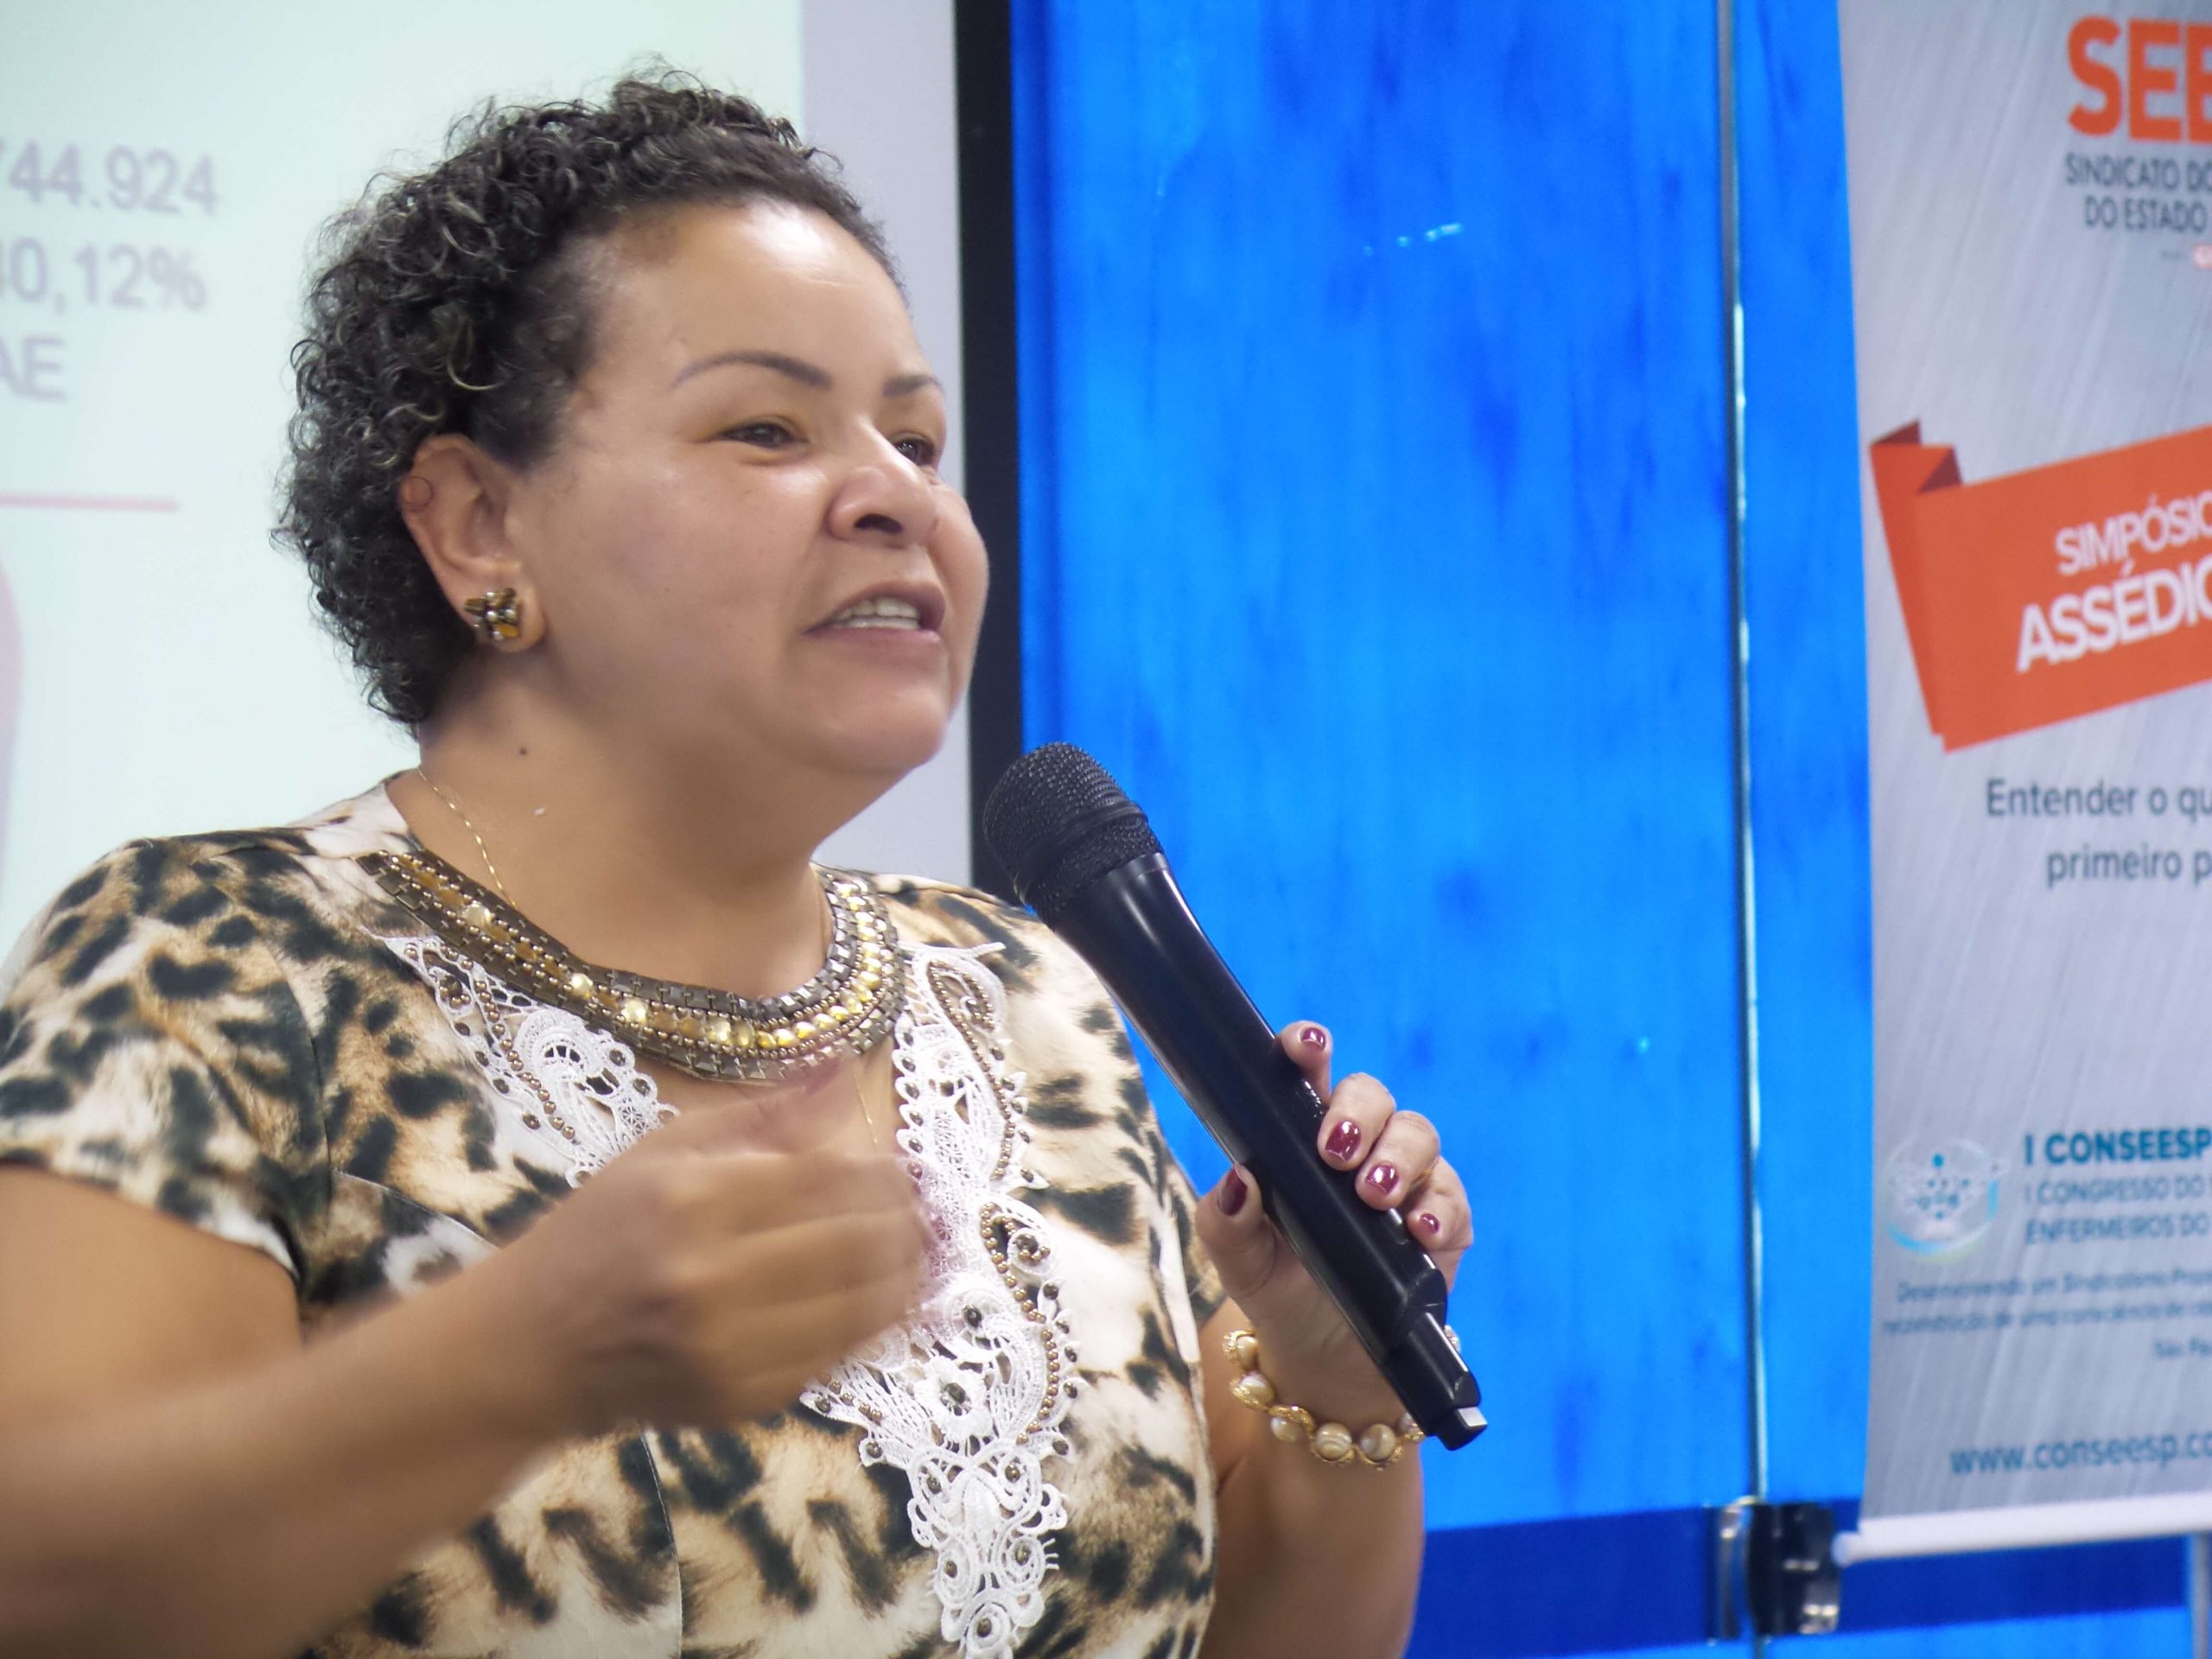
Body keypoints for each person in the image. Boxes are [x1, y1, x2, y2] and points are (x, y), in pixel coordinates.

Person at [0, 76, 1472, 1659]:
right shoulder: (210, 968)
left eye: (919, 439)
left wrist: (1333, 1380)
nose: (896, 493)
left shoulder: (1032, 1004)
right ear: (479, 525)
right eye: (767, 428)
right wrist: (508, 1359)